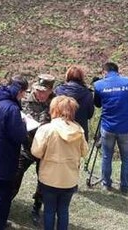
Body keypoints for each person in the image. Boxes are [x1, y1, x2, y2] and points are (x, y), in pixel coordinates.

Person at [31, 96, 88, 230]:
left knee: (49, 210)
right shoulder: (78, 130)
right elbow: (84, 152)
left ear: (54, 109)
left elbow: (36, 152)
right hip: (69, 179)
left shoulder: (47, 129)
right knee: (63, 210)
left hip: (49, 178)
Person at [0, 75, 29, 230]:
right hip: (6, 155)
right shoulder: (11, 108)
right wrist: (23, 124)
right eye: (23, 92)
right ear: (19, 90)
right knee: (3, 192)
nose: (23, 96)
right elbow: (20, 136)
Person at [12, 73, 55, 225]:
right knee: (15, 176)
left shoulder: (56, 103)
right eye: (38, 90)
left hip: (46, 151)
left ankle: (37, 207)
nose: (40, 94)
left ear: (50, 91)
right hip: (26, 147)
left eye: (44, 91)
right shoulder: (24, 99)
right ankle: (6, 202)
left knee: (43, 182)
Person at [93, 62, 128, 194]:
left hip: (108, 127)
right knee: (127, 158)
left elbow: (97, 104)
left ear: (104, 72)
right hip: (126, 127)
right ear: (118, 71)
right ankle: (125, 187)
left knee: (107, 157)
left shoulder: (99, 85)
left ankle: (106, 183)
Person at [54, 66, 94, 141]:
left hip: (61, 130)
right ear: (82, 77)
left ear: (67, 76)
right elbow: (90, 114)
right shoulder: (87, 93)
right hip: (80, 131)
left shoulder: (58, 90)